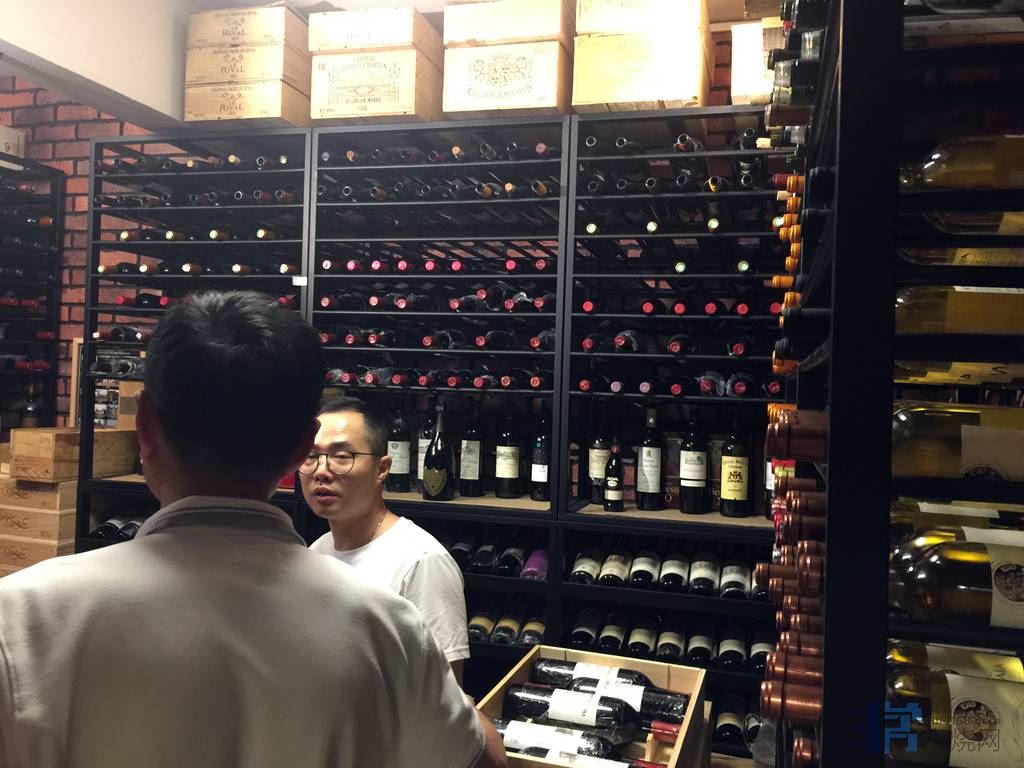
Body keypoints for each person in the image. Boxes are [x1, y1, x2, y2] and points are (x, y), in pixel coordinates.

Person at [0, 291, 506, 768]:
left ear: (146, 426)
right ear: (300, 449)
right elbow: (481, 759)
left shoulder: (22, 617)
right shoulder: (386, 627)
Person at [301, 398, 470, 684]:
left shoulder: (422, 563)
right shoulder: (315, 552)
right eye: (310, 456)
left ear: (382, 468)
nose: (321, 471)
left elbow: (445, 692)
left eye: (341, 456)